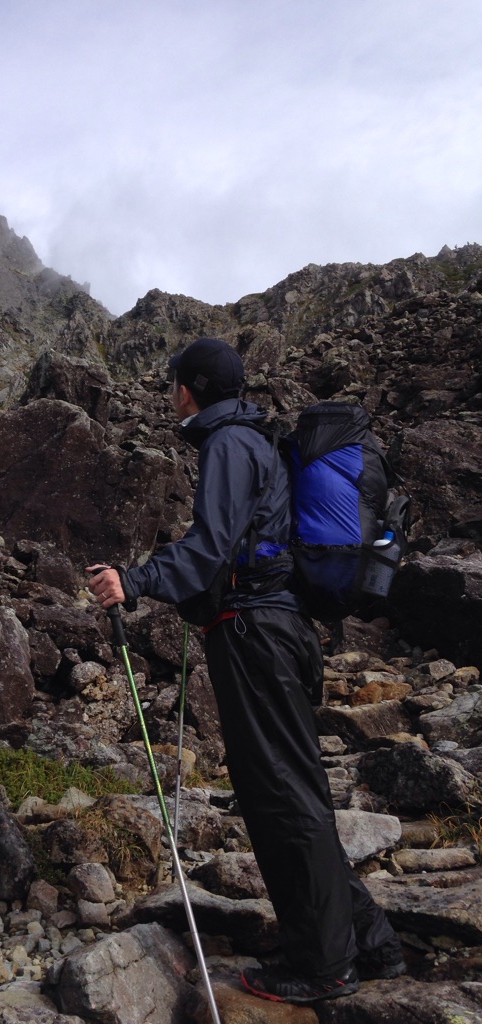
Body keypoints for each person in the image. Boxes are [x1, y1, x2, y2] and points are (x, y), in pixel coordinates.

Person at [87, 337, 406, 1005]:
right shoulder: (250, 440)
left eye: (176, 381)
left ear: (191, 388)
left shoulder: (229, 444)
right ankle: (369, 942)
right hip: (274, 630)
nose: (172, 392)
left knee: (281, 798)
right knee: (293, 791)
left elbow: (207, 551)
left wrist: (134, 582)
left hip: (255, 634)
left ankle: (322, 967)